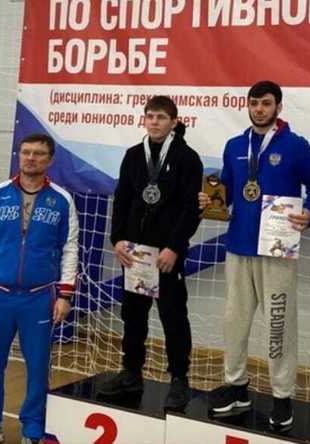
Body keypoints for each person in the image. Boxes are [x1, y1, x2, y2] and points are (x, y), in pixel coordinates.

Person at [199, 80, 310, 431]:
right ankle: (237, 386)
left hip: (276, 249)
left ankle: (282, 396)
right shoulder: (235, 145)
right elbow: (226, 189)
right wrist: (210, 200)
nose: (259, 109)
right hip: (239, 245)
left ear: (278, 107)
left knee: (278, 325)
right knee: (233, 321)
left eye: (266, 103)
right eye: (254, 103)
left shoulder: (295, 146)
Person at [0, 133, 79, 444]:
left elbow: (70, 249)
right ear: (19, 155)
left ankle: (33, 430)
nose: (31, 158)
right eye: (26, 152)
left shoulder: (62, 200)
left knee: (38, 367)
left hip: (39, 296)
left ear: (50, 160)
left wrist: (65, 295)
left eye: (39, 154)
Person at [99, 95, 203, 412]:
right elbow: (123, 199)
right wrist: (118, 239)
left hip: (166, 254)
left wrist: (175, 247)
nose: (155, 122)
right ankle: (131, 372)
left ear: (174, 122)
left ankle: (179, 379)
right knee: (133, 316)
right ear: (144, 119)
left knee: (173, 317)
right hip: (135, 253)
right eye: (150, 116)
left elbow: (191, 208)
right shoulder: (133, 155)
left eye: (161, 117)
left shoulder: (187, 158)